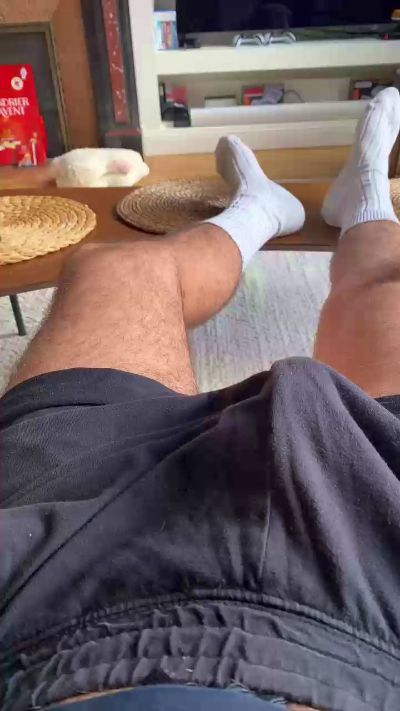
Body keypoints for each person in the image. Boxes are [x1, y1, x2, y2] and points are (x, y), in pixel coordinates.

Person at [1, 88, 400, 711]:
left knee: (111, 271)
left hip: (42, 587)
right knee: (390, 291)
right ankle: (357, 198)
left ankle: (262, 209)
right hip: (377, 602)